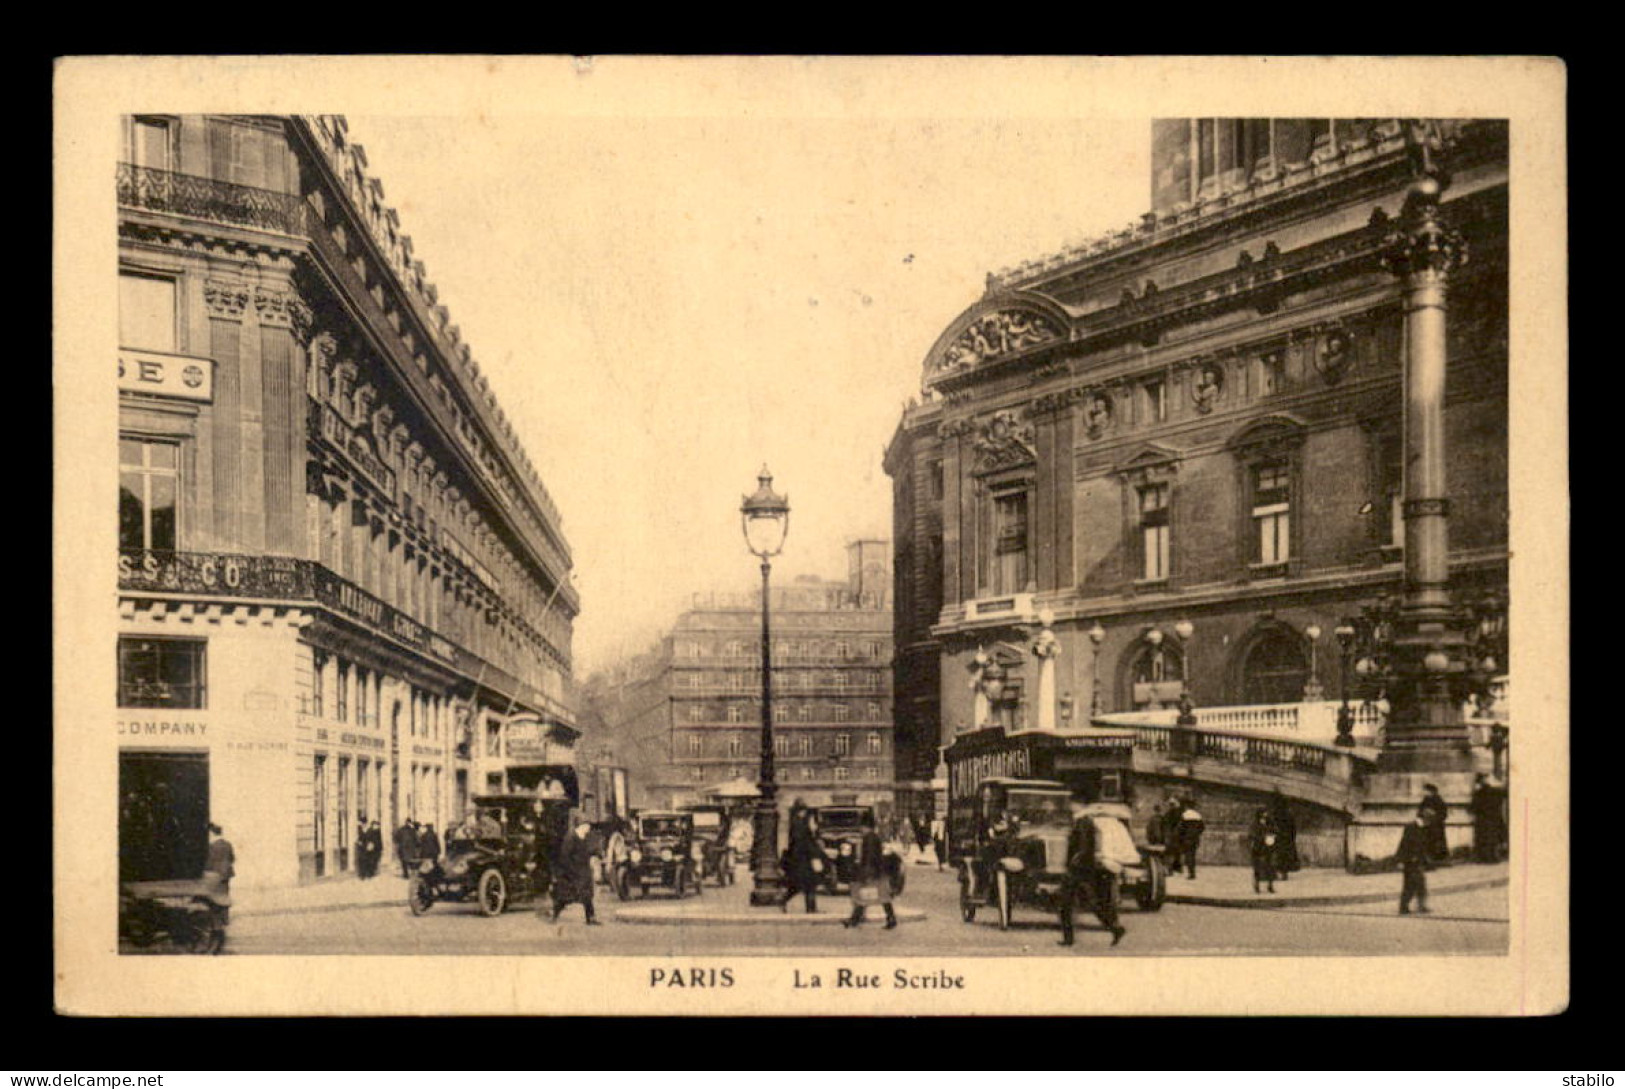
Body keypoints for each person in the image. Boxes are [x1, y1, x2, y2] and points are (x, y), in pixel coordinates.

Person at [1058, 794, 1125, 947]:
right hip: (1084, 867)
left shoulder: (1083, 821)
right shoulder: (1084, 820)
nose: (1070, 806)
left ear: (1078, 804)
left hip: (1079, 868)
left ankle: (1069, 939)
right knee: (1090, 902)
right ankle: (1114, 928)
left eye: (1072, 803)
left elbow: (1083, 846)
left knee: (1066, 903)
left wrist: (1074, 861)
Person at [546, 815, 600, 924]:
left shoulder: (585, 837)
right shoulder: (571, 837)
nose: (588, 827)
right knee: (565, 897)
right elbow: (565, 857)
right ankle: (554, 916)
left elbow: (591, 851)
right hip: (572, 873)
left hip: (583, 872)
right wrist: (571, 872)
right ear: (581, 825)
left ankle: (591, 918)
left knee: (587, 896)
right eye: (587, 825)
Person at [841, 825, 898, 930]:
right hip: (877, 871)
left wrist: (866, 873)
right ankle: (855, 919)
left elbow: (869, 857)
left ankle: (855, 919)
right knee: (878, 895)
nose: (860, 830)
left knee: (867, 894)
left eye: (861, 828)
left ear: (865, 827)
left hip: (872, 872)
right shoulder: (873, 837)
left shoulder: (869, 838)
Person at [782, 799, 827, 914]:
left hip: (803, 859)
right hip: (802, 860)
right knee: (804, 884)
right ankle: (782, 900)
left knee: (806, 884)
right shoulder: (799, 824)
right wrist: (815, 853)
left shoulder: (799, 823)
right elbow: (802, 843)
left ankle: (811, 908)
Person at [1395, 813, 1431, 914]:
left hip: (1417, 861)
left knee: (1421, 884)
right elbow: (1404, 844)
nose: (1430, 823)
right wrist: (1401, 860)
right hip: (1410, 861)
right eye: (1429, 820)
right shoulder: (1411, 827)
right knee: (1409, 885)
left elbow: (1422, 846)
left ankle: (1421, 906)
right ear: (1424, 818)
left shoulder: (1423, 828)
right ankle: (1403, 907)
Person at [1269, 789, 1301, 880]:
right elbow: (1293, 828)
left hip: (1280, 837)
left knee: (1278, 856)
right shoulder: (1288, 814)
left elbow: (1273, 825)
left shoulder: (1276, 813)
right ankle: (1283, 873)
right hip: (1286, 838)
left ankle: (1279, 873)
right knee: (1284, 857)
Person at [1470, 775, 1501, 863]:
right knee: (1491, 839)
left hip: (1482, 819)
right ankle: (1492, 858)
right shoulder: (1495, 791)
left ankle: (1483, 858)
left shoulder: (1478, 793)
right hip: (1492, 819)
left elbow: (1473, 807)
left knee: (1482, 839)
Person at [1248, 808, 1278, 894]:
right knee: (1257, 868)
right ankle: (1257, 886)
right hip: (1258, 848)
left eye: (1266, 814)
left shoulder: (1270, 823)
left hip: (1268, 848)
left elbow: (1275, 831)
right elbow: (1251, 835)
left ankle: (1270, 886)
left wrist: (1273, 836)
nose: (1265, 816)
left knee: (1270, 867)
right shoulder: (1254, 824)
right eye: (1263, 814)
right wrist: (1262, 838)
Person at [1418, 783, 1449, 864]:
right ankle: (1429, 859)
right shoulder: (1425, 800)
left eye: (1426, 791)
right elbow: (1420, 811)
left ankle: (1439, 859)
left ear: (1431, 791)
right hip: (1427, 825)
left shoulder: (1438, 800)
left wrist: (1434, 816)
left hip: (1436, 826)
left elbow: (1443, 813)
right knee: (1428, 842)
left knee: (1437, 842)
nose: (1424, 792)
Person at [1175, 797, 1206, 879]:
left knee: (1188, 856)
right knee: (1192, 855)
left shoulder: (1184, 815)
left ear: (1186, 806)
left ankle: (1191, 874)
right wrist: (1197, 834)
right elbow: (1202, 827)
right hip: (1195, 839)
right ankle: (1192, 872)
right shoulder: (1198, 815)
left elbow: (1180, 828)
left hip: (1187, 839)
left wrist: (1180, 837)